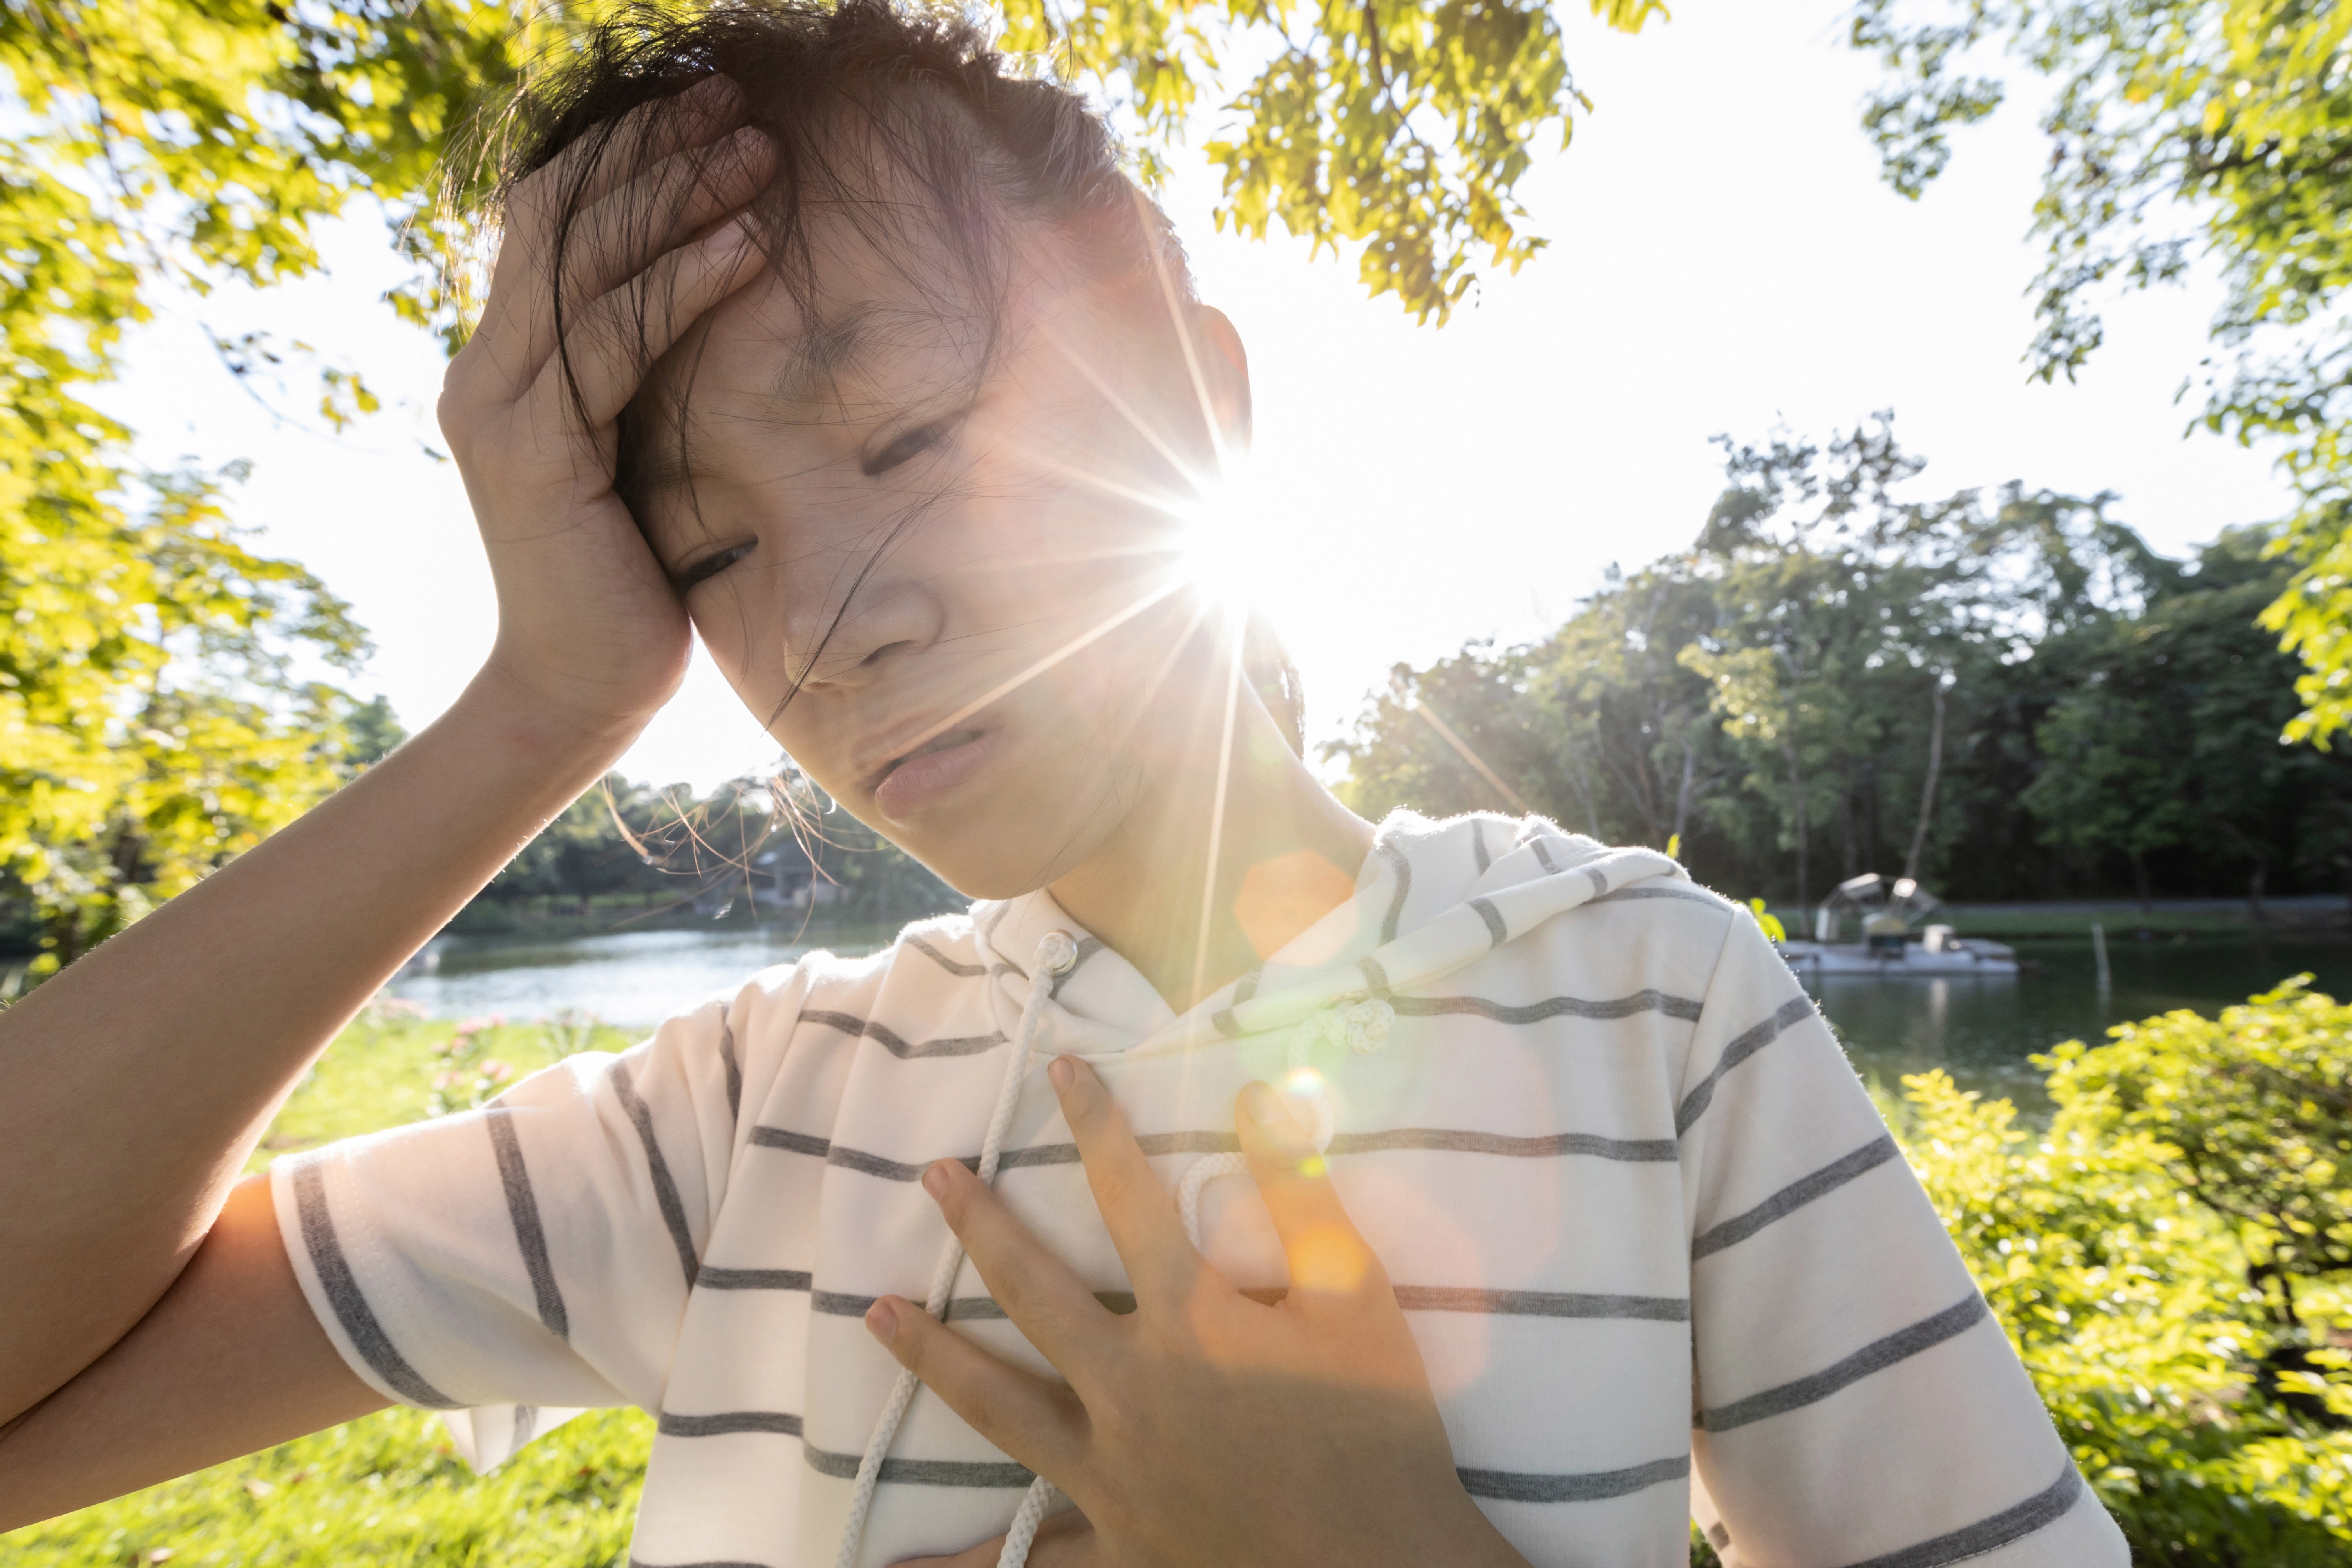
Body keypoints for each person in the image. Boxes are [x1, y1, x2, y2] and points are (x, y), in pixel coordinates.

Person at [0, 5, 2129, 1565]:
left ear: (1197, 401)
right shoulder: (749, 1115)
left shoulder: (1644, 996)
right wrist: (538, 703)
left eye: (909, 436)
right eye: (706, 551)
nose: (821, 627)